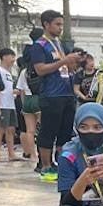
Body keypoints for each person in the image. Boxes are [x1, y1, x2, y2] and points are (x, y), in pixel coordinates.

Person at [30, 10, 82, 182]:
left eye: (61, 24)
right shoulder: (39, 45)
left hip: (67, 92)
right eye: (57, 24)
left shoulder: (60, 44)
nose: (60, 28)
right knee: (48, 131)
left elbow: (67, 67)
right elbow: (40, 70)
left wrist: (75, 63)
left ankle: (63, 163)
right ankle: (45, 165)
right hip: (51, 95)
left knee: (65, 132)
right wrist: (64, 61)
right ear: (46, 24)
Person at [17, 27, 43, 167]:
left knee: (30, 130)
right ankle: (42, 154)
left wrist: (23, 104)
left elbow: (20, 90)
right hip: (39, 99)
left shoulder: (24, 71)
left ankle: (31, 154)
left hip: (27, 100)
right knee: (43, 128)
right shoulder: (40, 69)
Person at [0, 48, 21, 162]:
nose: (13, 60)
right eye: (12, 56)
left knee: (11, 129)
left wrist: (14, 92)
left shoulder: (9, 73)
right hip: (2, 104)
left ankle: (11, 154)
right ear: (4, 57)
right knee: (1, 129)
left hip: (11, 104)